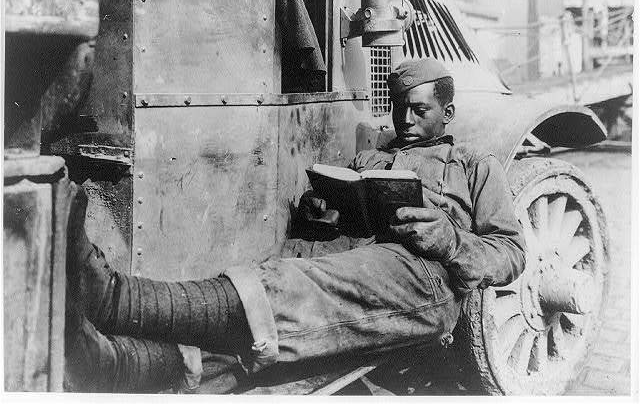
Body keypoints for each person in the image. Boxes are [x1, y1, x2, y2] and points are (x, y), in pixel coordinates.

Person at [64, 58, 526, 393]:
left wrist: (452, 241)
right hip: (355, 261)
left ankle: (116, 298)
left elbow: (511, 252)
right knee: (274, 307)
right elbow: (337, 223)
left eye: (420, 110)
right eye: (400, 107)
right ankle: (121, 362)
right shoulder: (372, 158)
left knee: (296, 285)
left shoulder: (472, 166)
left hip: (425, 276)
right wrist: (321, 210)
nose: (405, 119)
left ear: (447, 113)